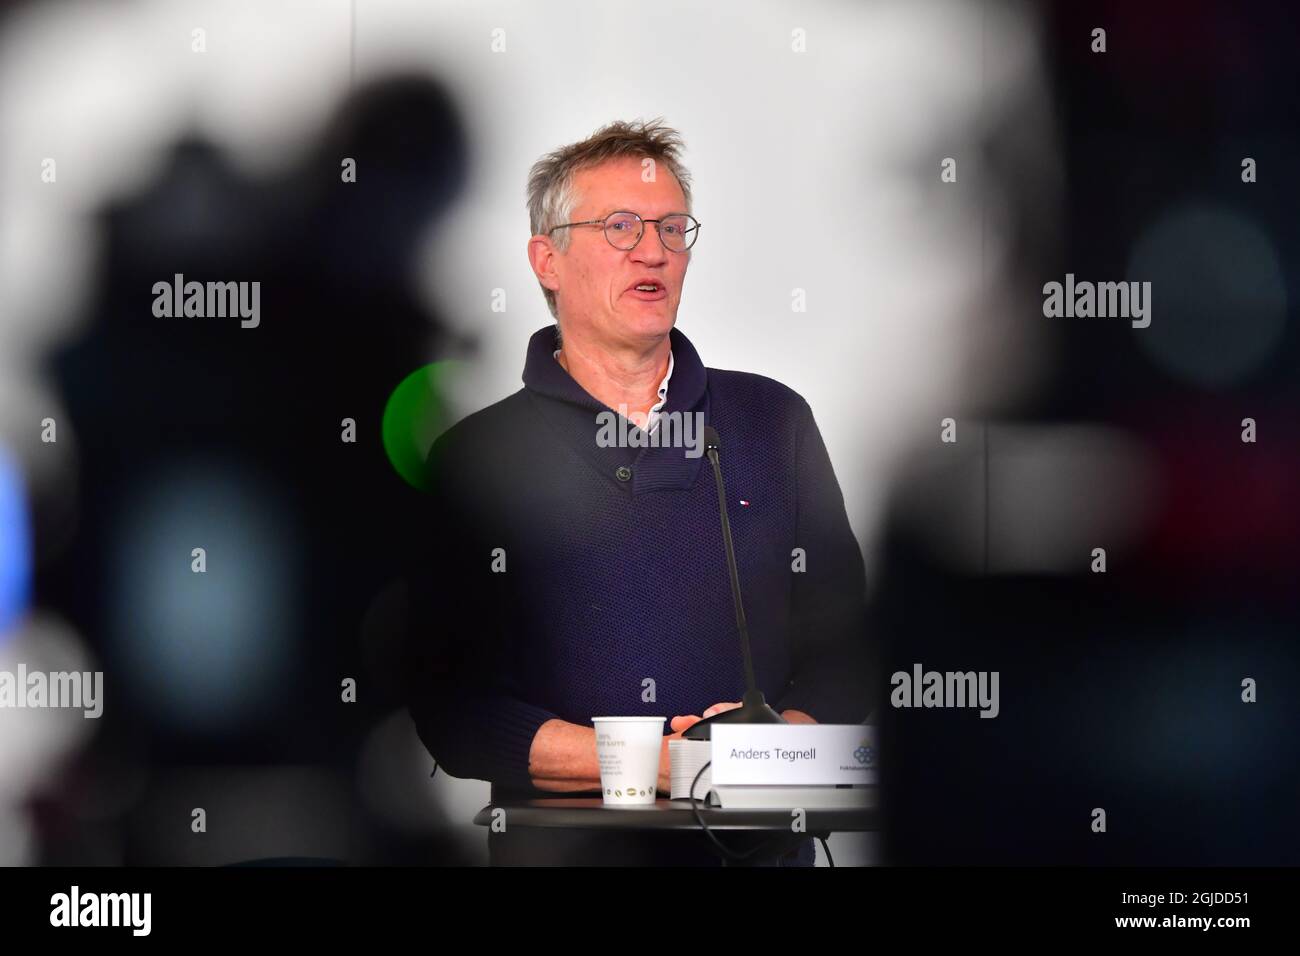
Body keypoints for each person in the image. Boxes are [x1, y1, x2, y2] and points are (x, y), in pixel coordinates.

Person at [404, 118, 873, 865]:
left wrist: (783, 745)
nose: (652, 250)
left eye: (671, 228)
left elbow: (851, 647)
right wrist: (661, 763)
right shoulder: (478, 457)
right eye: (619, 227)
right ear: (545, 259)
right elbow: (454, 711)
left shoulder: (771, 423)